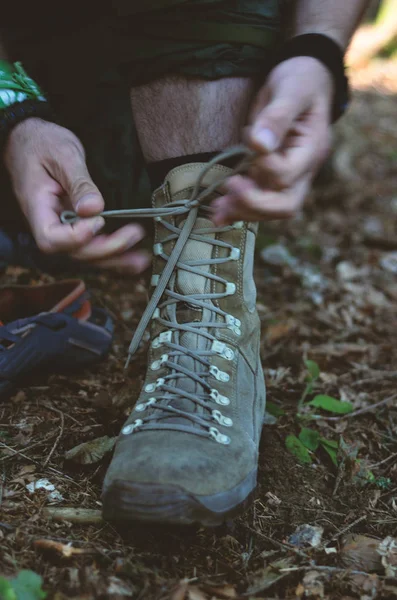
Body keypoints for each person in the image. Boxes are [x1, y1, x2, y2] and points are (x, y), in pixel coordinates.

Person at [0, 0, 370, 525]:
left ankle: (209, 331)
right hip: (43, 74)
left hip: (195, 82)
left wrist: (316, 50)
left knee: (204, 198)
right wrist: (13, 113)